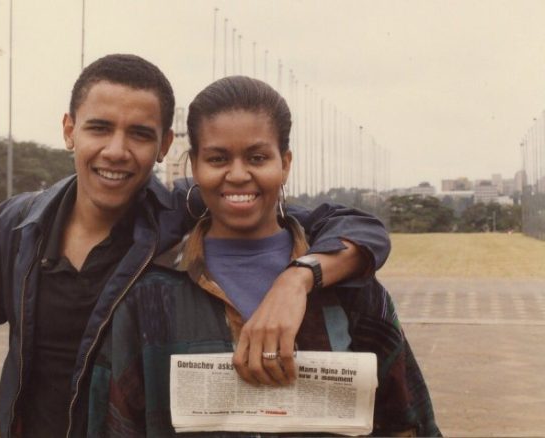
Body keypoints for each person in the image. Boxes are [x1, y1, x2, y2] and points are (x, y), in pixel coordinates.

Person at [0, 55, 390, 438]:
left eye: (140, 134)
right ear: (69, 130)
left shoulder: (178, 214)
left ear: (166, 145)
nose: (116, 150)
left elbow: (347, 226)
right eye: (99, 128)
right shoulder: (17, 225)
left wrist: (299, 277)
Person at [88, 76, 440, 437]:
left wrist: (299, 280)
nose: (238, 175)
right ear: (194, 165)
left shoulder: (349, 288)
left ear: (284, 163)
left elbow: (407, 421)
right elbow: (117, 423)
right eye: (218, 158)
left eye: (257, 157)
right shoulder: (149, 294)